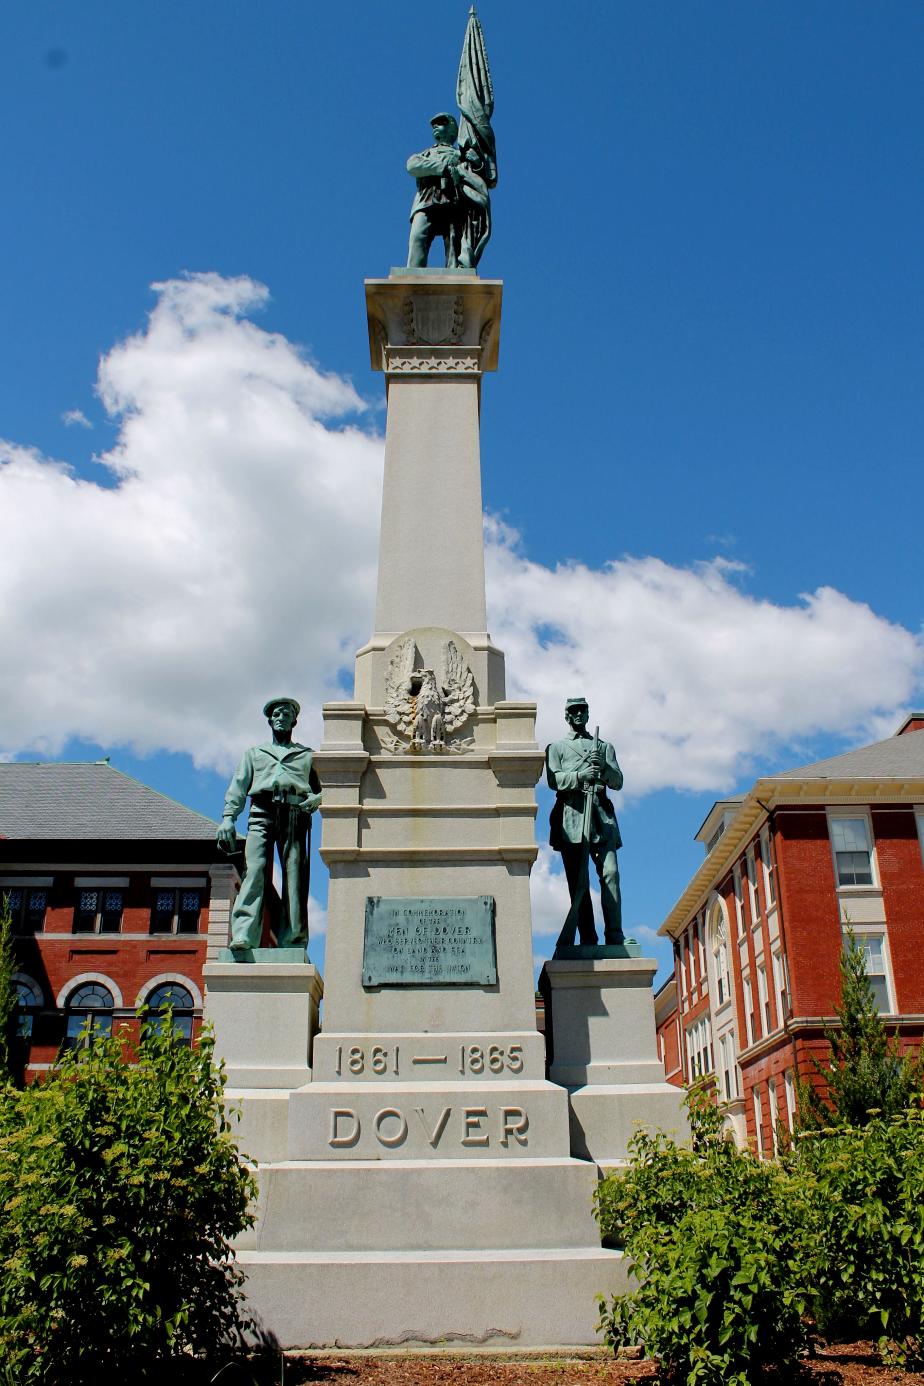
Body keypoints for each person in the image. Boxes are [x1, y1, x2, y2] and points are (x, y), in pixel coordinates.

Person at [217, 697, 321, 956]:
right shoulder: (254, 754)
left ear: (294, 721)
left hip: (295, 815)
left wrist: (316, 800)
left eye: (286, 714)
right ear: (269, 720)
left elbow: (331, 787)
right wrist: (229, 818)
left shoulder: (307, 756)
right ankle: (243, 934)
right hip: (261, 812)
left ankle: (293, 939)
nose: (281, 717)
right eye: (277, 713)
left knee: (295, 876)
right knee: (254, 871)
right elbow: (238, 788)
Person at [545, 697, 624, 948]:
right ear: (567, 716)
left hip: (600, 815)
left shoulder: (603, 747)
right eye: (573, 711)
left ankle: (615, 935)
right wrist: (581, 776)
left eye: (582, 710)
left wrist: (603, 770)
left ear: (588, 714)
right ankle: (588, 937)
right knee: (579, 882)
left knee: (610, 874)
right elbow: (554, 779)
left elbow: (618, 781)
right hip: (571, 815)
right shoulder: (556, 748)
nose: (578, 714)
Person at [406, 112, 465, 268]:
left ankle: (455, 276)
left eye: (442, 123)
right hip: (426, 200)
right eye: (435, 124)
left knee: (454, 243)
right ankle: (413, 278)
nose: (436, 126)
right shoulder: (426, 153)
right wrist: (442, 167)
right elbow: (412, 166)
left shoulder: (461, 155)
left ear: (453, 129)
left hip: (453, 201)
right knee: (418, 237)